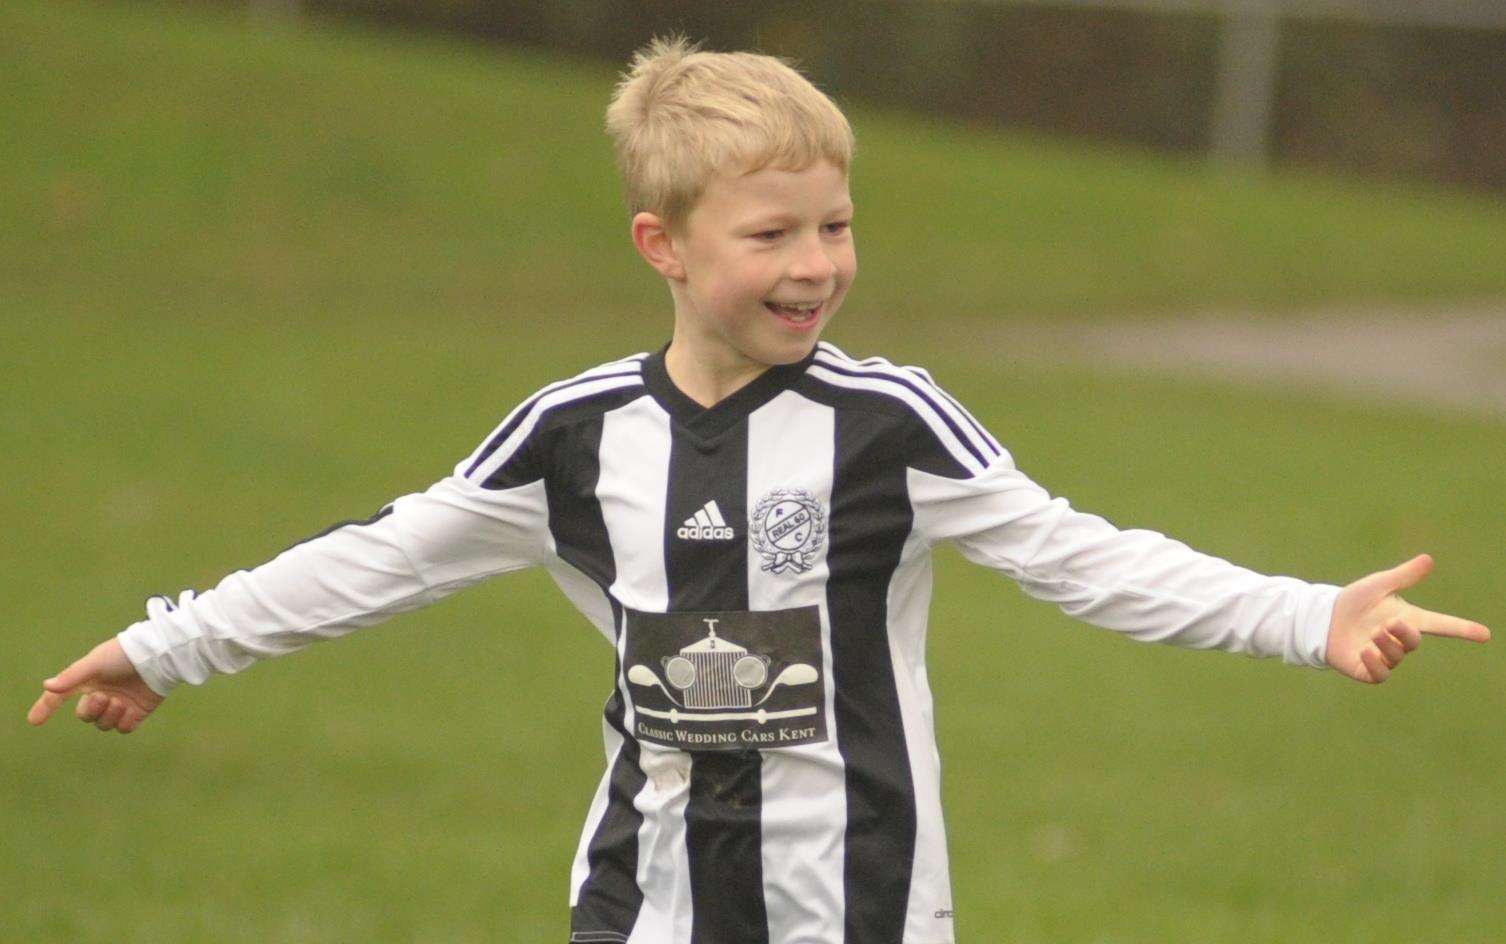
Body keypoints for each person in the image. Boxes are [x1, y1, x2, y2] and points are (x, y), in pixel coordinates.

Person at [28, 33, 1490, 944]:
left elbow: (1079, 557)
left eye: (837, 224)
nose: (816, 264)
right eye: (772, 233)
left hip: (857, 896)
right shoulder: (573, 435)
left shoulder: (888, 422)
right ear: (662, 243)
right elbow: (379, 557)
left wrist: (1306, 614)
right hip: (646, 892)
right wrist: (168, 644)